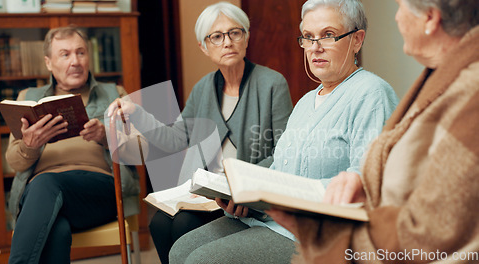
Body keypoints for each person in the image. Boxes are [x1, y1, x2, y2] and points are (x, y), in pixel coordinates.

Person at [168, 0, 399, 263]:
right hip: (273, 219)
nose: (316, 47)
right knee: (180, 250)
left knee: (201, 260)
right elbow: (281, 170)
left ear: (357, 40)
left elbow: (370, 182)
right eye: (309, 38)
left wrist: (286, 196)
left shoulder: (372, 94)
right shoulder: (305, 103)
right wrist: (243, 193)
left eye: (328, 35)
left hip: (320, 234)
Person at [268, 0, 479, 263]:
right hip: (287, 224)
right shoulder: (438, 77)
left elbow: (432, 227)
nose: (397, 18)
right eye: (308, 38)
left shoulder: (465, 94)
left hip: (331, 235)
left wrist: (332, 241)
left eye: (400, 7)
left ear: (430, 18)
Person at [108, 2, 293, 263]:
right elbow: (175, 139)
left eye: (235, 33)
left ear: (246, 36)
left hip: (245, 194)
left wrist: (240, 183)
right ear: (204, 47)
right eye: (216, 37)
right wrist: (138, 113)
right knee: (159, 224)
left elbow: (284, 153)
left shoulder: (272, 84)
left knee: (184, 225)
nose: (227, 42)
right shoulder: (202, 89)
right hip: (207, 193)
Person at [6, 26, 142, 264]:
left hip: (99, 190)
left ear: (89, 57)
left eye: (80, 53)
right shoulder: (28, 97)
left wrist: (106, 137)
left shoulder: (115, 94)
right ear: (49, 63)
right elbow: (14, 162)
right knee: (56, 230)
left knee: (46, 183)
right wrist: (31, 145)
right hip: (43, 195)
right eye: (65, 54)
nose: (75, 61)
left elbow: (140, 150)